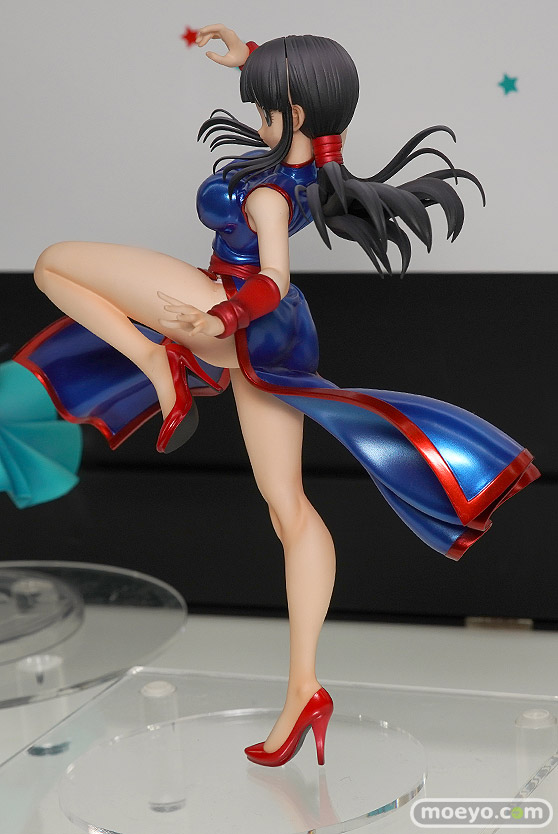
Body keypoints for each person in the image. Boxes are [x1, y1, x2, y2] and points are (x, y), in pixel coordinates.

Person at [19, 24, 539, 767]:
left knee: (53, 264)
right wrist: (257, 58)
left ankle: (158, 364)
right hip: (277, 338)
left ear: (293, 114)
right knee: (288, 508)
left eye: (266, 107)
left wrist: (215, 320)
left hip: (230, 309)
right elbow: (301, 111)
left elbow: (273, 278)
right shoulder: (303, 164)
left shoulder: (268, 190)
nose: (257, 118)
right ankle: (304, 688)